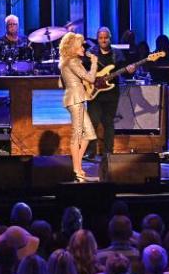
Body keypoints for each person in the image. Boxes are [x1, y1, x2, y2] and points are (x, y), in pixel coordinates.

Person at [83, 27, 136, 160]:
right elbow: (83, 70)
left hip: (111, 92)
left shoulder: (117, 53)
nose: (103, 40)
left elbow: (125, 68)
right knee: (93, 122)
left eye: (106, 38)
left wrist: (130, 70)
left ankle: (108, 152)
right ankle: (91, 152)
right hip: (94, 92)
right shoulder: (91, 52)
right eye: (101, 38)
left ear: (110, 38)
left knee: (108, 122)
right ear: (98, 39)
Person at [58, 32, 98, 182]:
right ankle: (76, 169)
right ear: (74, 48)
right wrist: (94, 62)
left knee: (89, 134)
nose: (83, 48)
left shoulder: (67, 62)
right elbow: (90, 78)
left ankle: (77, 165)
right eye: (80, 45)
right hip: (75, 99)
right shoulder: (72, 62)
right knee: (77, 134)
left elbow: (61, 83)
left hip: (76, 98)